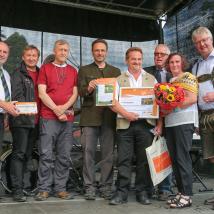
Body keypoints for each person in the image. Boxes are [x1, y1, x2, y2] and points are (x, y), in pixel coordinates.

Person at [109, 47, 162, 205]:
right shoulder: (118, 79)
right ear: (127, 60)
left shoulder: (152, 79)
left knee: (144, 160)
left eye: (139, 59)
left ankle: (142, 192)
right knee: (123, 159)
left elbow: (160, 103)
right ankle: (121, 193)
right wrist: (126, 114)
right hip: (125, 124)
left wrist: (159, 124)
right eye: (133, 59)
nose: (137, 62)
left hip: (145, 125)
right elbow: (112, 102)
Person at [78, 39, 121, 200]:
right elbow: (80, 92)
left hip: (109, 118)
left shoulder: (115, 71)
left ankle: (106, 186)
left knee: (108, 154)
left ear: (106, 52)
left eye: (102, 50)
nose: (100, 53)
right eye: (97, 50)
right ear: (92, 52)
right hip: (90, 117)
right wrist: (89, 87)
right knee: (88, 153)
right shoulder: (84, 70)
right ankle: (89, 186)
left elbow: (119, 94)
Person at [35, 39, 78, 201]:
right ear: (55, 51)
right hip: (48, 117)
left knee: (64, 155)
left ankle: (60, 188)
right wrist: (56, 109)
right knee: (46, 154)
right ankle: (44, 189)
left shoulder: (73, 71)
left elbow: (75, 94)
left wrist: (63, 108)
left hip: (66, 118)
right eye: (60, 50)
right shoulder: (45, 68)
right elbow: (42, 93)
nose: (63, 53)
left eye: (66, 50)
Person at [165, 53, 198, 208]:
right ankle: (181, 192)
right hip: (171, 123)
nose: (174, 64)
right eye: (171, 62)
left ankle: (187, 195)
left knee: (182, 157)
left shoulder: (188, 77)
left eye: (177, 61)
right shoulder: (170, 81)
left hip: (185, 121)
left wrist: (171, 105)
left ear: (182, 63)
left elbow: (192, 98)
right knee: (175, 158)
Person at [9, 45, 40, 202]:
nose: (31, 58)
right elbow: (17, 96)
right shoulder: (17, 74)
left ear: (38, 57)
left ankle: (25, 187)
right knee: (19, 154)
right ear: (23, 57)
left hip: (36, 121)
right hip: (21, 121)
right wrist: (27, 108)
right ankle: (17, 190)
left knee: (27, 155)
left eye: (34, 55)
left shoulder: (41, 73)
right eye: (28, 55)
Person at [145, 44, 173, 201]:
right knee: (150, 154)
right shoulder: (146, 72)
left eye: (162, 54)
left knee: (165, 154)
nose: (159, 56)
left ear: (168, 57)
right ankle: (149, 188)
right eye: (156, 54)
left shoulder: (174, 73)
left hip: (170, 120)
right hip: (149, 120)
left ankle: (165, 189)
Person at [191, 27, 214, 207]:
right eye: (198, 43)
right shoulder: (197, 65)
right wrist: (197, 118)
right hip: (205, 116)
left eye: (204, 40)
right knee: (212, 156)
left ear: (211, 39)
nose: (202, 44)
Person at [0, 41, 19, 151]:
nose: (2, 54)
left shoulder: (6, 74)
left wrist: (6, 115)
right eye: (0, 51)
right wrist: (5, 105)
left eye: (5, 52)